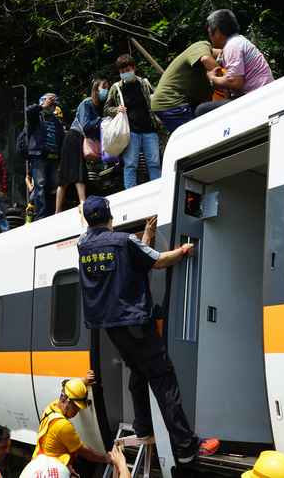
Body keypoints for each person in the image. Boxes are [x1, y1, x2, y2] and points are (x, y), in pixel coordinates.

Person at [77, 196, 218, 463]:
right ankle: (187, 446)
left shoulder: (83, 245)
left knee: (139, 373)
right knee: (163, 377)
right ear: (111, 216)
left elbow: (126, 264)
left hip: (111, 328)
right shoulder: (125, 241)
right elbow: (161, 261)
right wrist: (185, 250)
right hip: (135, 324)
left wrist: (147, 236)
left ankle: (143, 429)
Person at [197, 9, 274, 117]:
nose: (209, 36)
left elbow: (235, 82)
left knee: (201, 110)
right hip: (258, 93)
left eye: (210, 32)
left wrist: (212, 78)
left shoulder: (232, 47)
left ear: (217, 32)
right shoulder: (238, 41)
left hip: (254, 96)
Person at [103, 55, 162, 189]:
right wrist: (116, 109)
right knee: (130, 165)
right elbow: (106, 108)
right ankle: (131, 195)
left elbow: (156, 101)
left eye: (128, 70)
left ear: (134, 68)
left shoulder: (144, 83)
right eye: (122, 72)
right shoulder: (116, 87)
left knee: (154, 163)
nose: (125, 74)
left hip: (149, 129)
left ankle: (158, 191)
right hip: (130, 131)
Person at [31, 373, 111, 468]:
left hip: (39, 464)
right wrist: (105, 458)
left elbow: (69, 395)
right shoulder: (63, 425)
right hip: (51, 470)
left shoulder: (50, 408)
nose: (78, 410)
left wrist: (81, 385)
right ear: (64, 401)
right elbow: (82, 450)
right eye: (76, 406)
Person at [56, 79, 110, 214]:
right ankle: (80, 203)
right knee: (72, 173)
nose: (106, 90)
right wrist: (100, 120)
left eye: (107, 88)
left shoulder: (102, 107)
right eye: (103, 87)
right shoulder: (86, 103)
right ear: (96, 89)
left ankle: (72, 205)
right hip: (74, 137)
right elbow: (85, 125)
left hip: (82, 139)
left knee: (74, 172)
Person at [151, 41, 221, 132]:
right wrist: (226, 82)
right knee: (194, 136)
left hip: (186, 102)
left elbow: (204, 102)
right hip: (171, 101)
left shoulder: (207, 74)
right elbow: (206, 59)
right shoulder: (203, 46)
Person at [25, 94, 65, 219]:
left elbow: (61, 139)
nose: (52, 107)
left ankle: (52, 213)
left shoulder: (56, 121)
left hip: (53, 157)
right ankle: (41, 216)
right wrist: (43, 106)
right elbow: (29, 111)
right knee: (40, 186)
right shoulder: (36, 117)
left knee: (53, 187)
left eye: (54, 104)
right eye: (50, 104)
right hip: (39, 156)